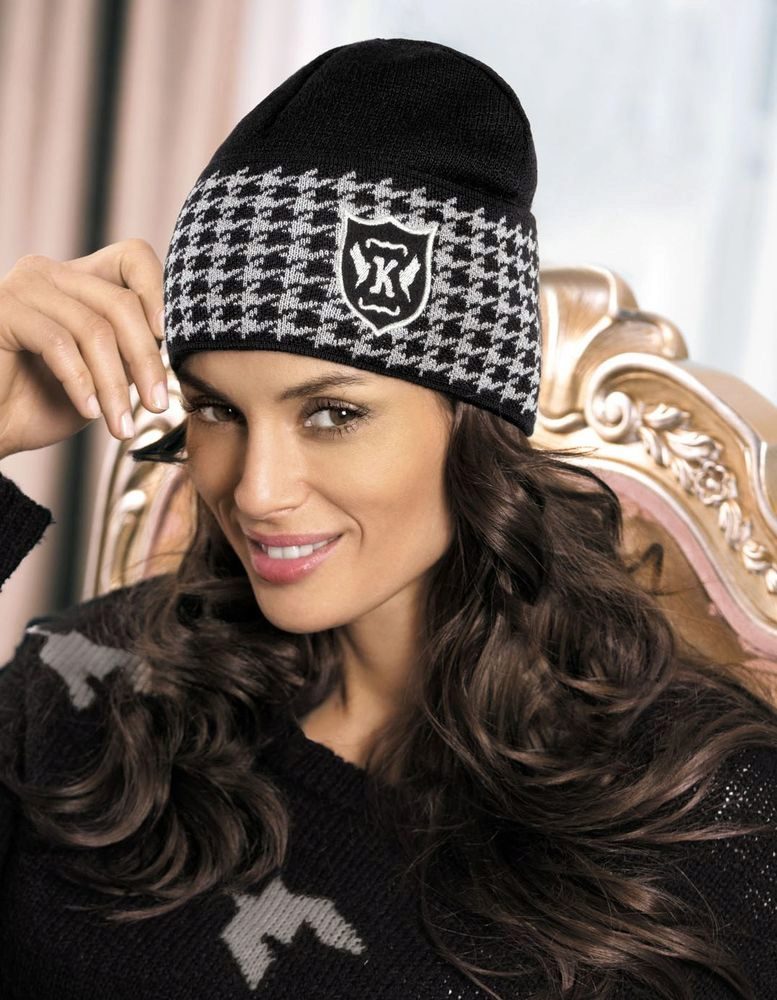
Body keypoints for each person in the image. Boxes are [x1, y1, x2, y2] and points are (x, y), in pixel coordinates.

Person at [0, 36, 776, 1000]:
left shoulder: (706, 820)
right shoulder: (87, 685)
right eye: (217, 409)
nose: (256, 490)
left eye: (332, 414)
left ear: (471, 423)